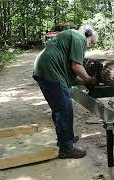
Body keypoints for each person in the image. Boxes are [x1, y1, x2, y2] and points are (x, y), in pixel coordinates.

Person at [33, 25, 99, 159]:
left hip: (44, 69)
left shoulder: (70, 37)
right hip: (51, 71)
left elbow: (70, 75)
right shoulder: (79, 37)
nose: (90, 46)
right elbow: (76, 66)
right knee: (64, 109)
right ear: (88, 34)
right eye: (91, 42)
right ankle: (66, 148)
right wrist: (89, 79)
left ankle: (65, 139)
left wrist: (84, 81)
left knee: (59, 108)